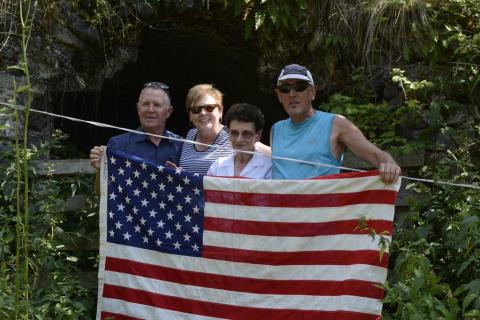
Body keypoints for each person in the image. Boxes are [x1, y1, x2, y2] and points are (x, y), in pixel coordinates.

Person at [271, 63, 401, 183]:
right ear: (278, 95)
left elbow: (376, 155)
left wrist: (389, 164)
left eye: (300, 87)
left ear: (312, 92)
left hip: (317, 206)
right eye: (285, 88)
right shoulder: (276, 129)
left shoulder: (336, 124)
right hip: (281, 207)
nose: (292, 94)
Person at [89, 81, 183, 171]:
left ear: (168, 112)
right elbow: (105, 186)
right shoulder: (117, 145)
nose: (150, 110)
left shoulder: (181, 146)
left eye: (157, 105)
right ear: (138, 109)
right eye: (145, 104)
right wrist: (101, 169)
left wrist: (180, 176)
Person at [177, 84, 232, 175]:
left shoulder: (232, 135)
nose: (203, 113)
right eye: (196, 109)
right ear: (190, 116)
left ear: (220, 111)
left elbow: (256, 148)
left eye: (209, 108)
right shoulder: (190, 135)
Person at [207, 103, 271, 178]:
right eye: (234, 133)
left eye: (246, 133)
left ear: (258, 135)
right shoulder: (218, 166)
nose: (239, 139)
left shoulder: (268, 167)